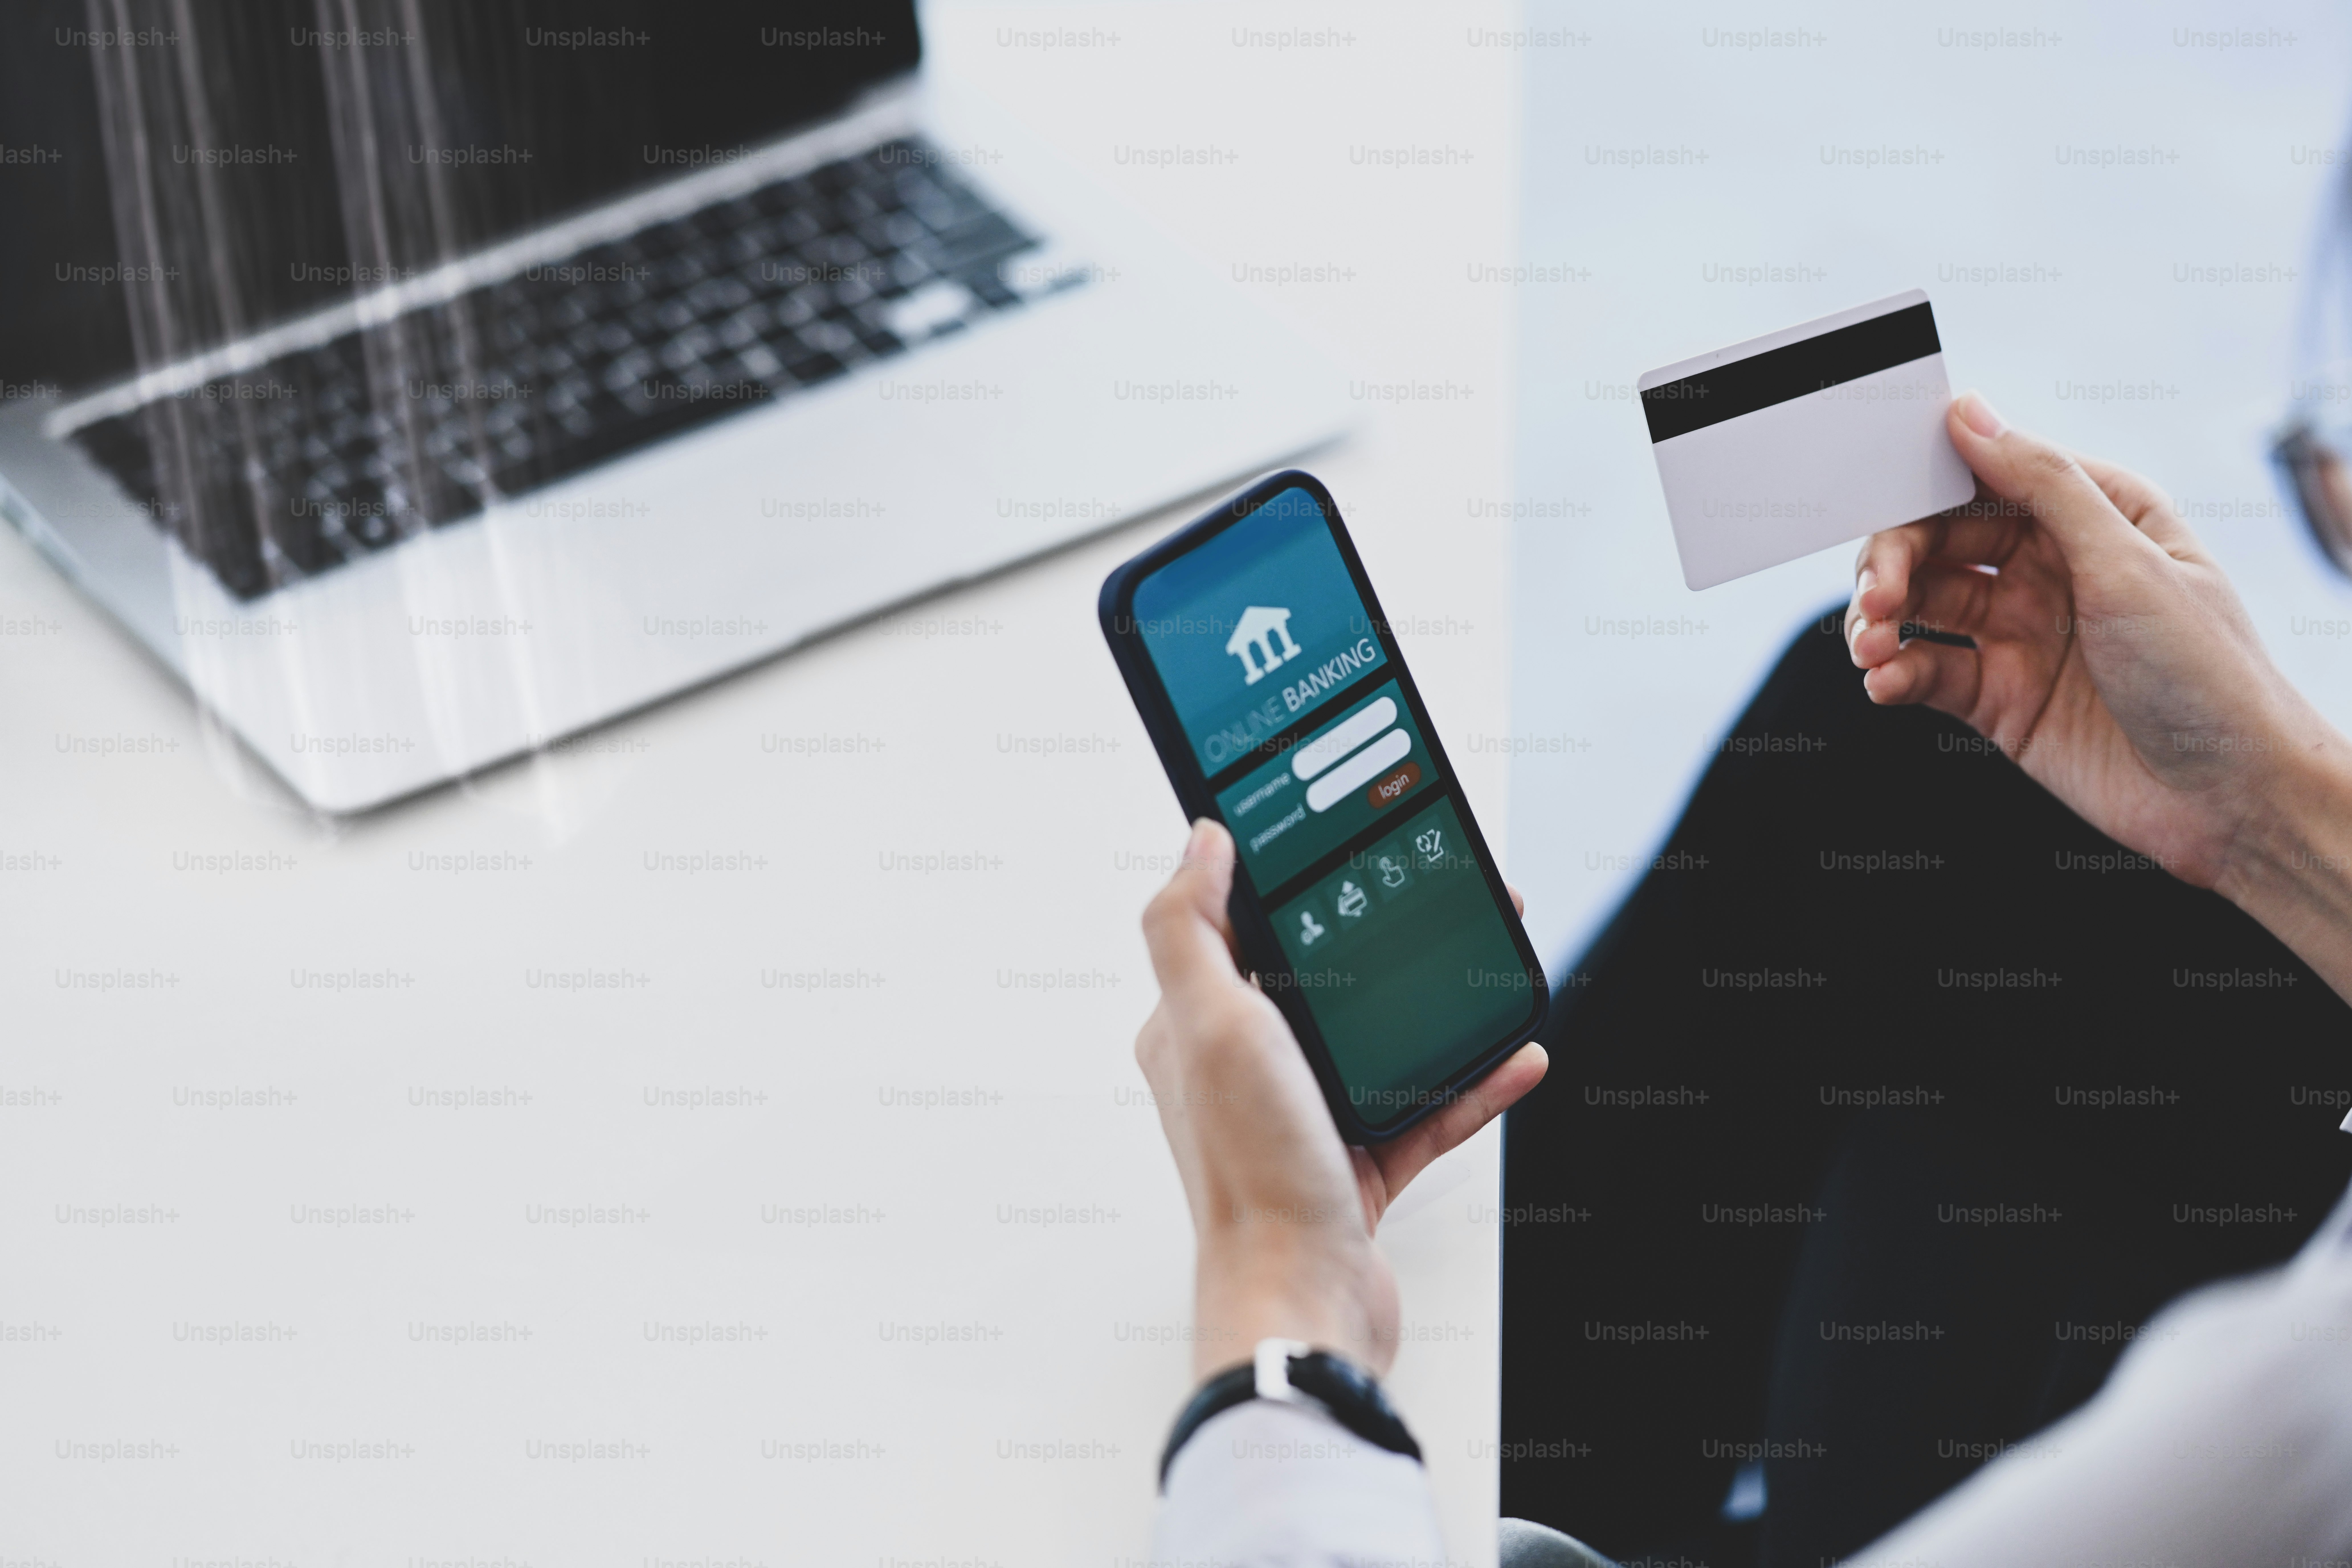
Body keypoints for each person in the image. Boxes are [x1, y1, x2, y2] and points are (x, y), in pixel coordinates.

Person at [1134, 396, 2352, 1566]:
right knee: (1879, 740)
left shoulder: (2301, 1410)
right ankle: (1569, 1429)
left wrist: (1280, 1295)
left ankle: (1519, 1485)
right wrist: (2273, 814)